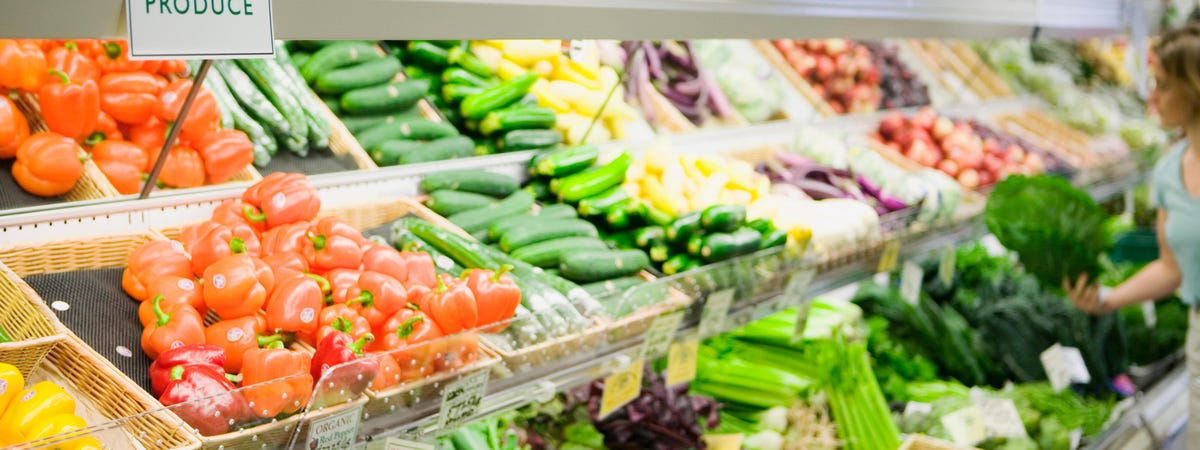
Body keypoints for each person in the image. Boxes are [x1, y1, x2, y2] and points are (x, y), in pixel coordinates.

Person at [1065, 23, 1200, 444]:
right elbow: (1170, 267)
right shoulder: (1169, 168)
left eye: (1163, 84)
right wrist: (1106, 299)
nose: (1152, 97)